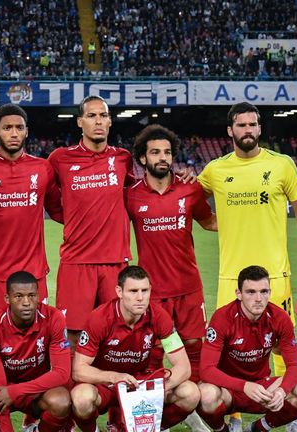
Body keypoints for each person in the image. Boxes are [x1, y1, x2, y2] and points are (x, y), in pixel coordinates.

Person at [198, 102, 297, 432]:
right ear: (230, 130)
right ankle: (234, 415)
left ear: (260, 128)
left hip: (275, 275)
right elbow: (191, 200)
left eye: (253, 124)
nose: (247, 130)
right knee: (228, 347)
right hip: (231, 277)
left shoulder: (281, 165)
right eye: (241, 125)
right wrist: (214, 222)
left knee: (283, 344)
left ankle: (287, 411)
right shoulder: (215, 170)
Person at [125, 124, 216, 432]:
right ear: (142, 158)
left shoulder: (190, 189)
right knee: (151, 359)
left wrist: (247, 213)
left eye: (167, 152)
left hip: (189, 289)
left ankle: (190, 412)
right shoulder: (131, 196)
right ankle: (149, 418)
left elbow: (210, 222)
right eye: (155, 152)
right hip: (152, 294)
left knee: (195, 354)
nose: (162, 157)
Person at [47, 95, 135, 346]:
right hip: (77, 261)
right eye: (91, 115)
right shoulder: (60, 158)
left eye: (103, 115)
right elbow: (50, 200)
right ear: (79, 122)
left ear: (110, 122)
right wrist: (74, 220)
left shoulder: (122, 158)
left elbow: (137, 192)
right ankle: (75, 384)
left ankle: (110, 384)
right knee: (73, 335)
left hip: (115, 261)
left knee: (116, 331)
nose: (98, 121)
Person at [70, 266, 200, 432]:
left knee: (190, 393)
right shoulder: (100, 318)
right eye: (133, 291)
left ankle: (147, 427)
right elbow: (79, 370)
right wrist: (114, 377)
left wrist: (154, 390)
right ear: (119, 291)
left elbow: (184, 367)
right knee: (81, 398)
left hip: (140, 382)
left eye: (144, 290)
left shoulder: (159, 317)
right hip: (107, 384)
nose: (140, 298)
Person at [0, 104, 62, 324]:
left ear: (26, 131)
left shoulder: (43, 168)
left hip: (33, 274)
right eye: (7, 128)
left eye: (19, 128)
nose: (13, 133)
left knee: (37, 345)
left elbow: (59, 211)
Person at [197, 266, 297, 432]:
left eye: (264, 291)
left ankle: (258, 429)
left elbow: (294, 365)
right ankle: (222, 430)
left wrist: (282, 391)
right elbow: (206, 370)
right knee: (206, 395)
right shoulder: (223, 318)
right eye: (251, 292)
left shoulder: (280, 318)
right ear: (239, 294)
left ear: (270, 292)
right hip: (228, 390)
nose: (259, 298)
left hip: (262, 388)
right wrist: (244, 386)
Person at [0, 271, 72, 432]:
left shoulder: (54, 318)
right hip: (0, 387)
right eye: (18, 296)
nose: (26, 302)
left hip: (36, 388)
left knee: (61, 401)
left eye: (31, 295)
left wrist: (16, 391)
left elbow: (62, 373)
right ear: (7, 299)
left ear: (39, 296)